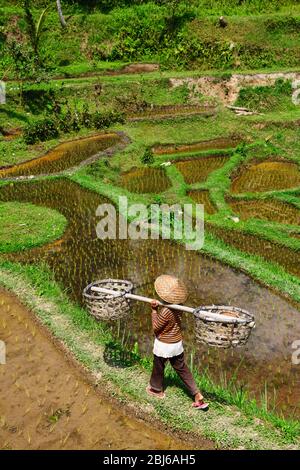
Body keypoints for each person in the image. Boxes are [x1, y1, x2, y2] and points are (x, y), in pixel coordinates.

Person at [146, 274, 209, 410]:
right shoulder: (180, 306)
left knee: (158, 367)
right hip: (176, 344)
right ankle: (197, 394)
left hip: (164, 345)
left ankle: (156, 390)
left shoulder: (166, 311)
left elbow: (156, 328)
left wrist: (154, 311)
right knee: (182, 369)